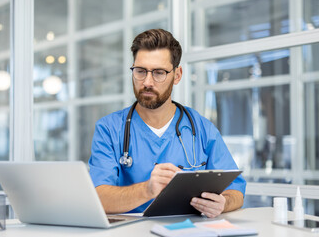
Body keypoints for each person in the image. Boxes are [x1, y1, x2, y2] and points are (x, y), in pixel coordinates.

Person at [88, 29, 246, 218]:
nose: (147, 81)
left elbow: (236, 191)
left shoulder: (202, 129)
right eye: (140, 71)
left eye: (159, 73)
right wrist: (147, 189)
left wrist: (223, 203)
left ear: (177, 75)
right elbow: (98, 199)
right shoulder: (110, 129)